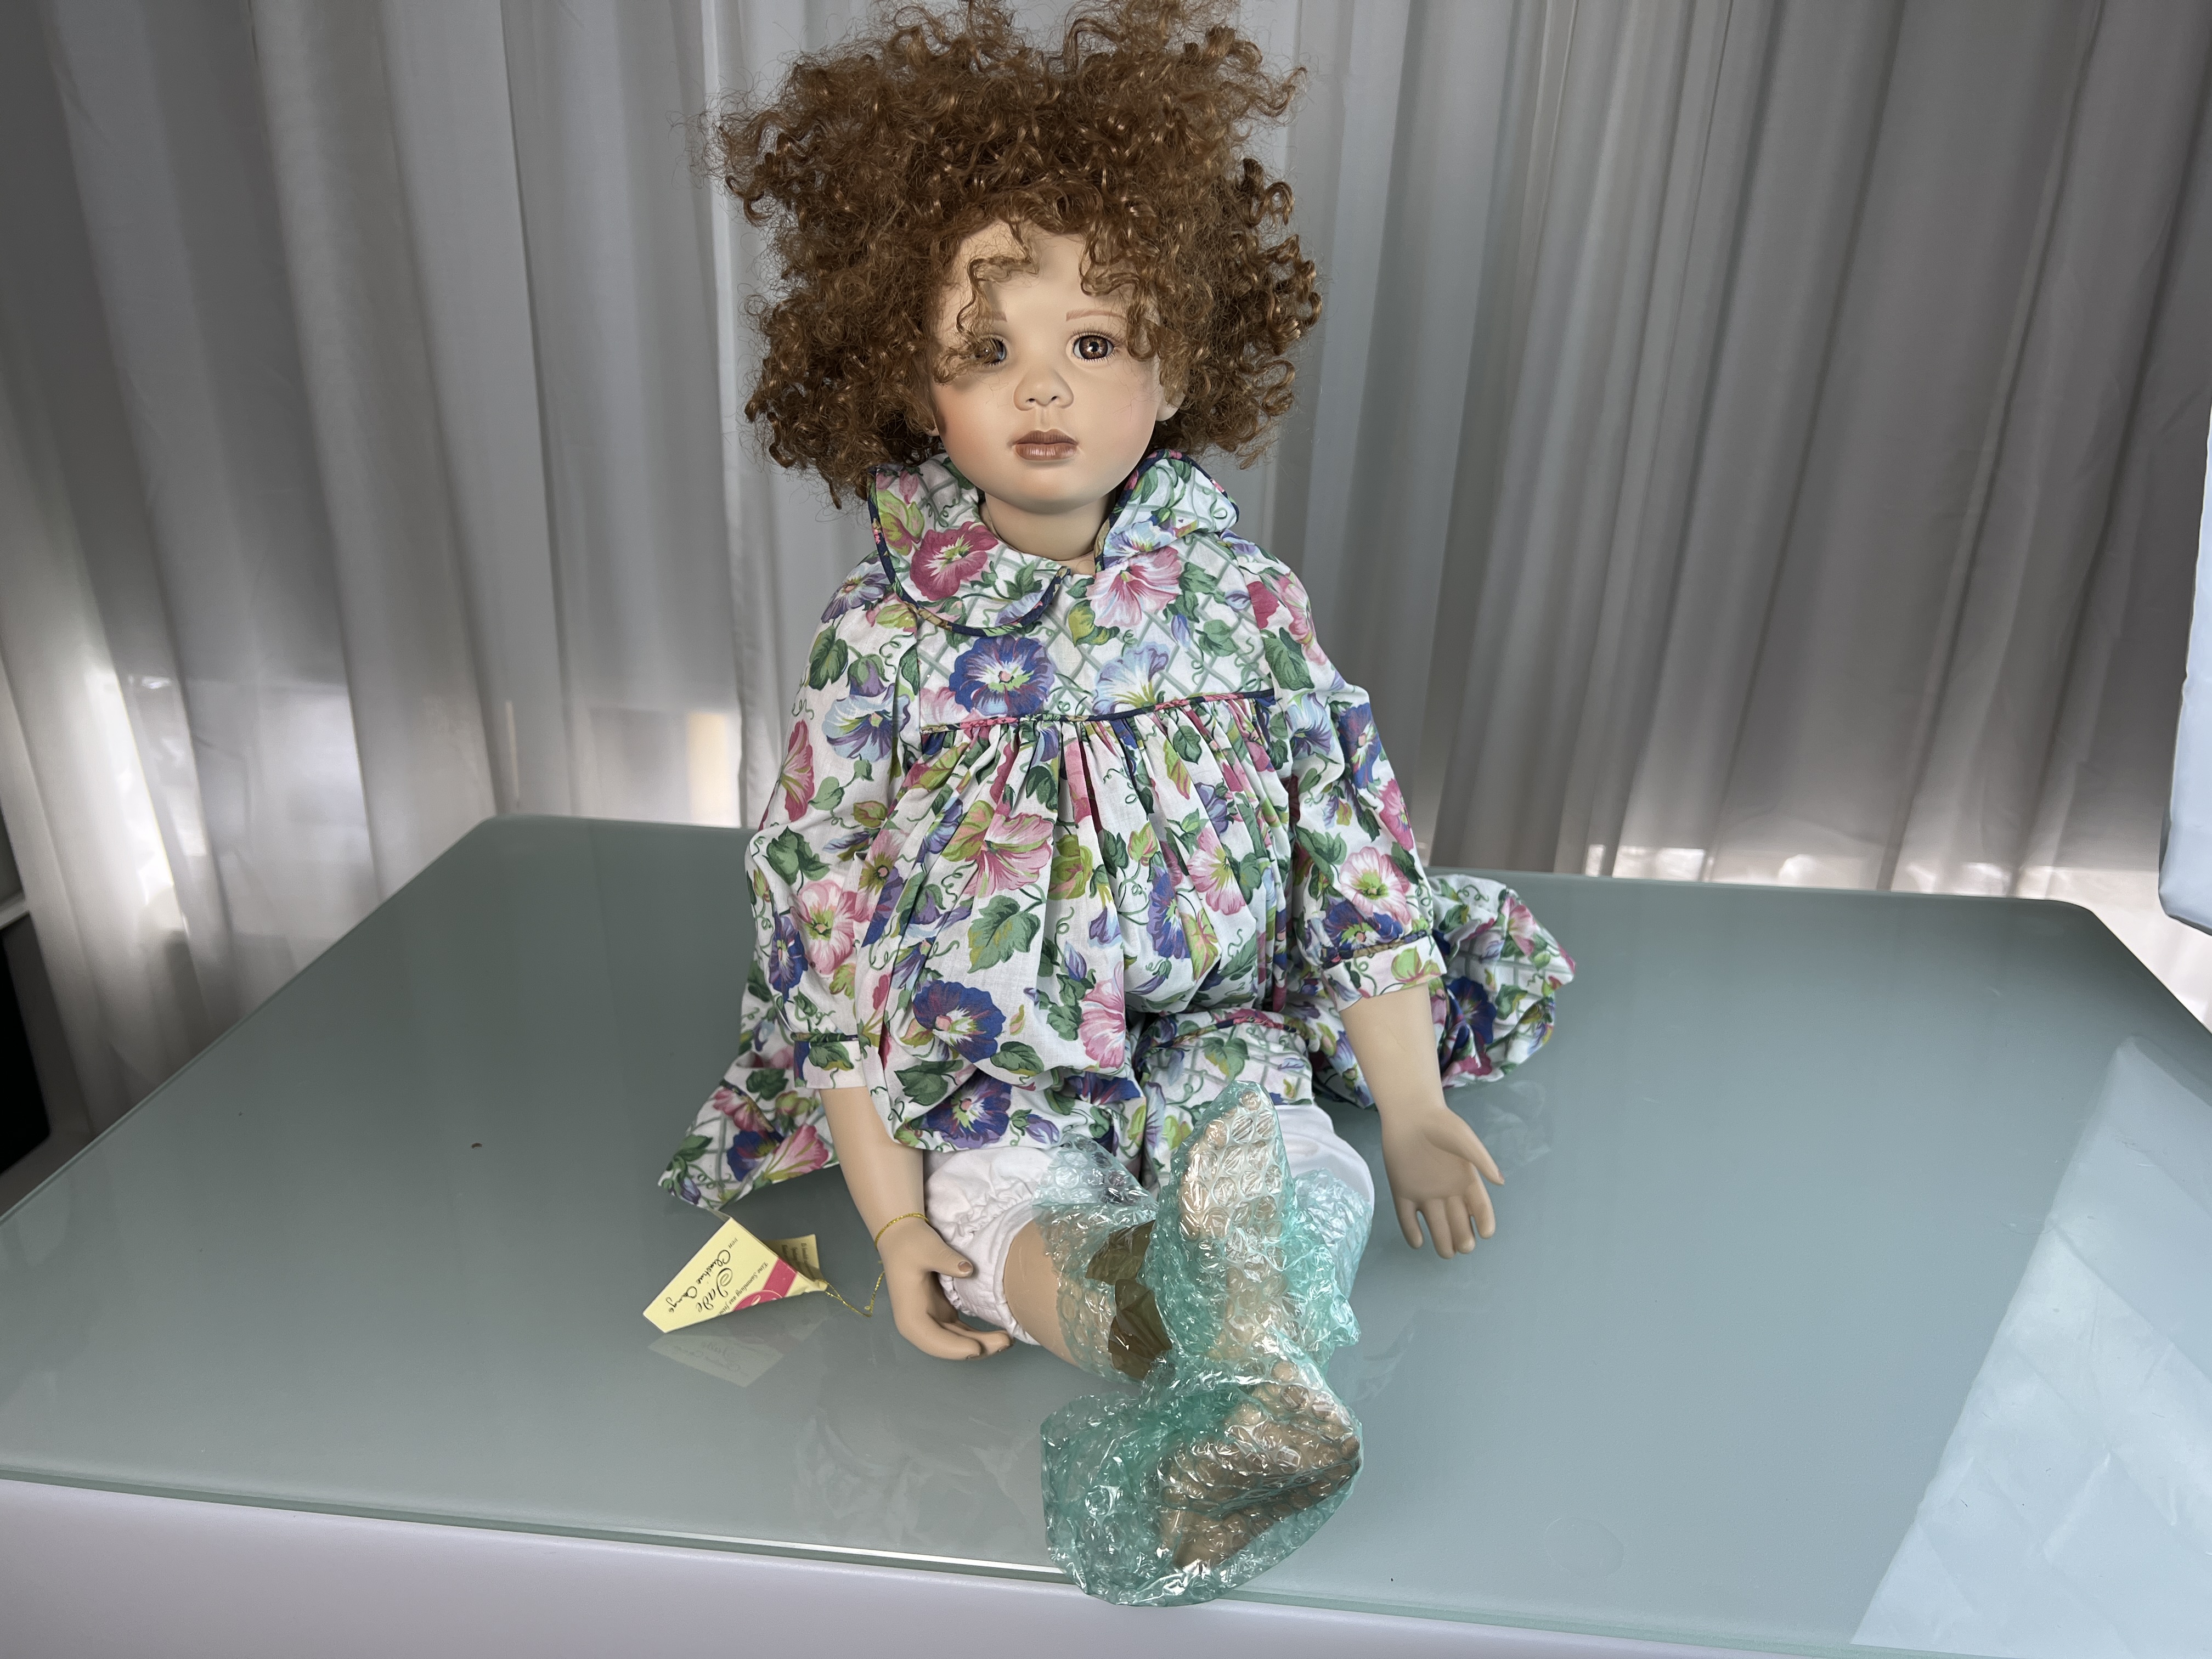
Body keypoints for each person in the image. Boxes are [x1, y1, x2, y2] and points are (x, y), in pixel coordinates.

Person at [659, 0, 1573, 1604]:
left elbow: (1352, 849)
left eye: (1092, 343)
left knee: (1290, 1158)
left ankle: (1244, 1351)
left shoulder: (1243, 605)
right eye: (986, 349)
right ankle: (1214, 1358)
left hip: (1220, 1021)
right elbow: (823, 915)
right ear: (907, 376)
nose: (1044, 389)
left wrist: (1415, 1104)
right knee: (997, 1224)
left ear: (1177, 361)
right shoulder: (887, 638)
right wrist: (889, 1217)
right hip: (994, 1061)